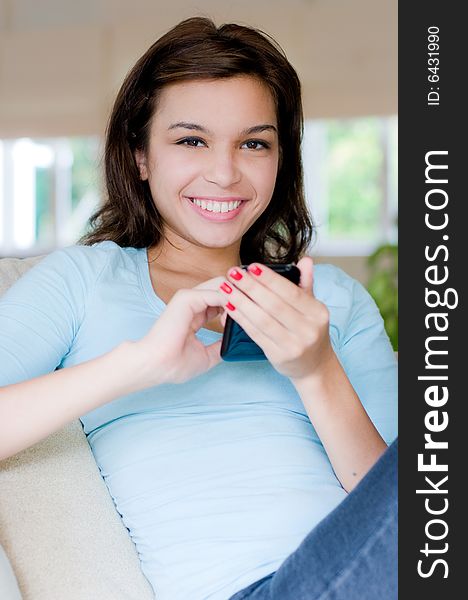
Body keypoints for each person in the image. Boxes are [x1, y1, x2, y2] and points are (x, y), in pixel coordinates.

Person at [0, 16, 398, 600]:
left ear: (281, 159)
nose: (224, 172)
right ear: (140, 156)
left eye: (254, 143)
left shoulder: (333, 298)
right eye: (191, 140)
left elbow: (408, 506)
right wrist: (138, 364)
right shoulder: (83, 280)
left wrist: (317, 371)